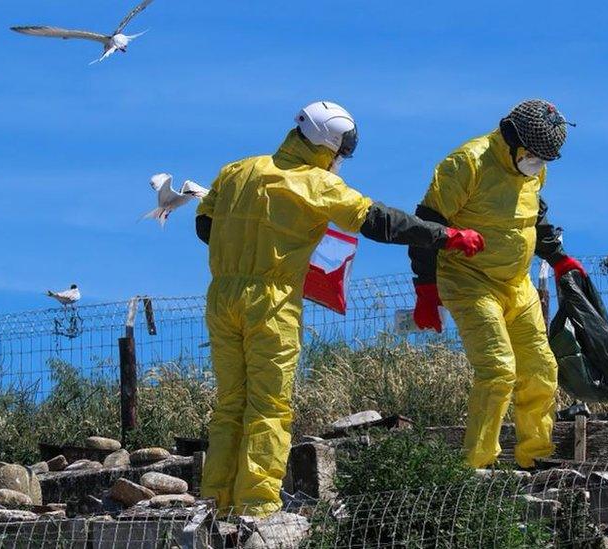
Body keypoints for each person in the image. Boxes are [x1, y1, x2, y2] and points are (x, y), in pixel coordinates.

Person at [195, 100, 485, 516]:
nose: (341, 158)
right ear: (329, 146)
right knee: (268, 404)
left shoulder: (237, 170)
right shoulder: (319, 184)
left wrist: (253, 251)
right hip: (272, 301)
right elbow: (380, 223)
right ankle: (255, 508)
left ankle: (214, 503)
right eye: (342, 151)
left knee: (229, 405)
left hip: (222, 296)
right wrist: (446, 236)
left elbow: (205, 226)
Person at [408, 99, 585, 470]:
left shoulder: (533, 170)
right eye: (535, 155)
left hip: (517, 283)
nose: (538, 163)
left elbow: (534, 215)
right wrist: (425, 288)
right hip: (469, 280)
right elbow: (425, 224)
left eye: (545, 158)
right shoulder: (467, 163)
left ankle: (535, 456)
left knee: (540, 368)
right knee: (498, 369)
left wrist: (556, 257)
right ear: (512, 139)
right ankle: (477, 464)